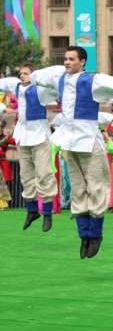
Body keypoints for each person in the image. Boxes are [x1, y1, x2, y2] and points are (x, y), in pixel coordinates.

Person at [30, 46, 113, 259]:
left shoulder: (92, 81)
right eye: (66, 59)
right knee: (78, 189)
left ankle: (96, 234)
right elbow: (40, 76)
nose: (67, 62)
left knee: (97, 187)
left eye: (72, 59)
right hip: (69, 144)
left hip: (89, 141)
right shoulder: (60, 77)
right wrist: (28, 77)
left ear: (83, 62)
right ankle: (84, 236)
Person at [0, 65, 60, 231]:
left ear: (34, 76)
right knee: (26, 174)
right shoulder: (15, 85)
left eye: (26, 73)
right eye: (21, 73)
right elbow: (2, 83)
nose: (22, 76)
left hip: (40, 136)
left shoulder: (41, 90)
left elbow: (58, 90)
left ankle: (47, 213)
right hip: (22, 137)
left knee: (44, 174)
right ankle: (32, 210)